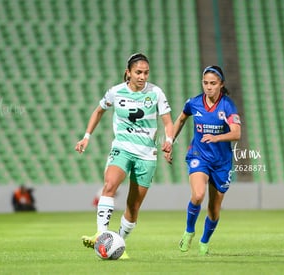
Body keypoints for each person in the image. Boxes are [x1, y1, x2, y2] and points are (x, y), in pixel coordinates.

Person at [75, 53, 173, 257]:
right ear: (128, 72)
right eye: (138, 72)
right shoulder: (116, 92)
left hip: (147, 155)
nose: (142, 76)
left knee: (133, 205)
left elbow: (167, 122)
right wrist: (86, 136)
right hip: (123, 147)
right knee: (109, 185)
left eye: (146, 72)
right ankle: (101, 235)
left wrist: (169, 141)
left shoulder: (156, 93)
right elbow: (98, 111)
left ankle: (117, 241)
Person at [165, 65, 241, 255]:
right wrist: (170, 141)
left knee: (214, 209)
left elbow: (237, 133)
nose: (208, 87)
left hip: (222, 162)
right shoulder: (194, 103)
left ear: (221, 84)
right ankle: (189, 230)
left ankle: (204, 241)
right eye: (205, 83)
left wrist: (217, 137)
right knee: (198, 195)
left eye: (213, 83)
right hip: (199, 156)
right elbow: (182, 119)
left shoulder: (227, 105)